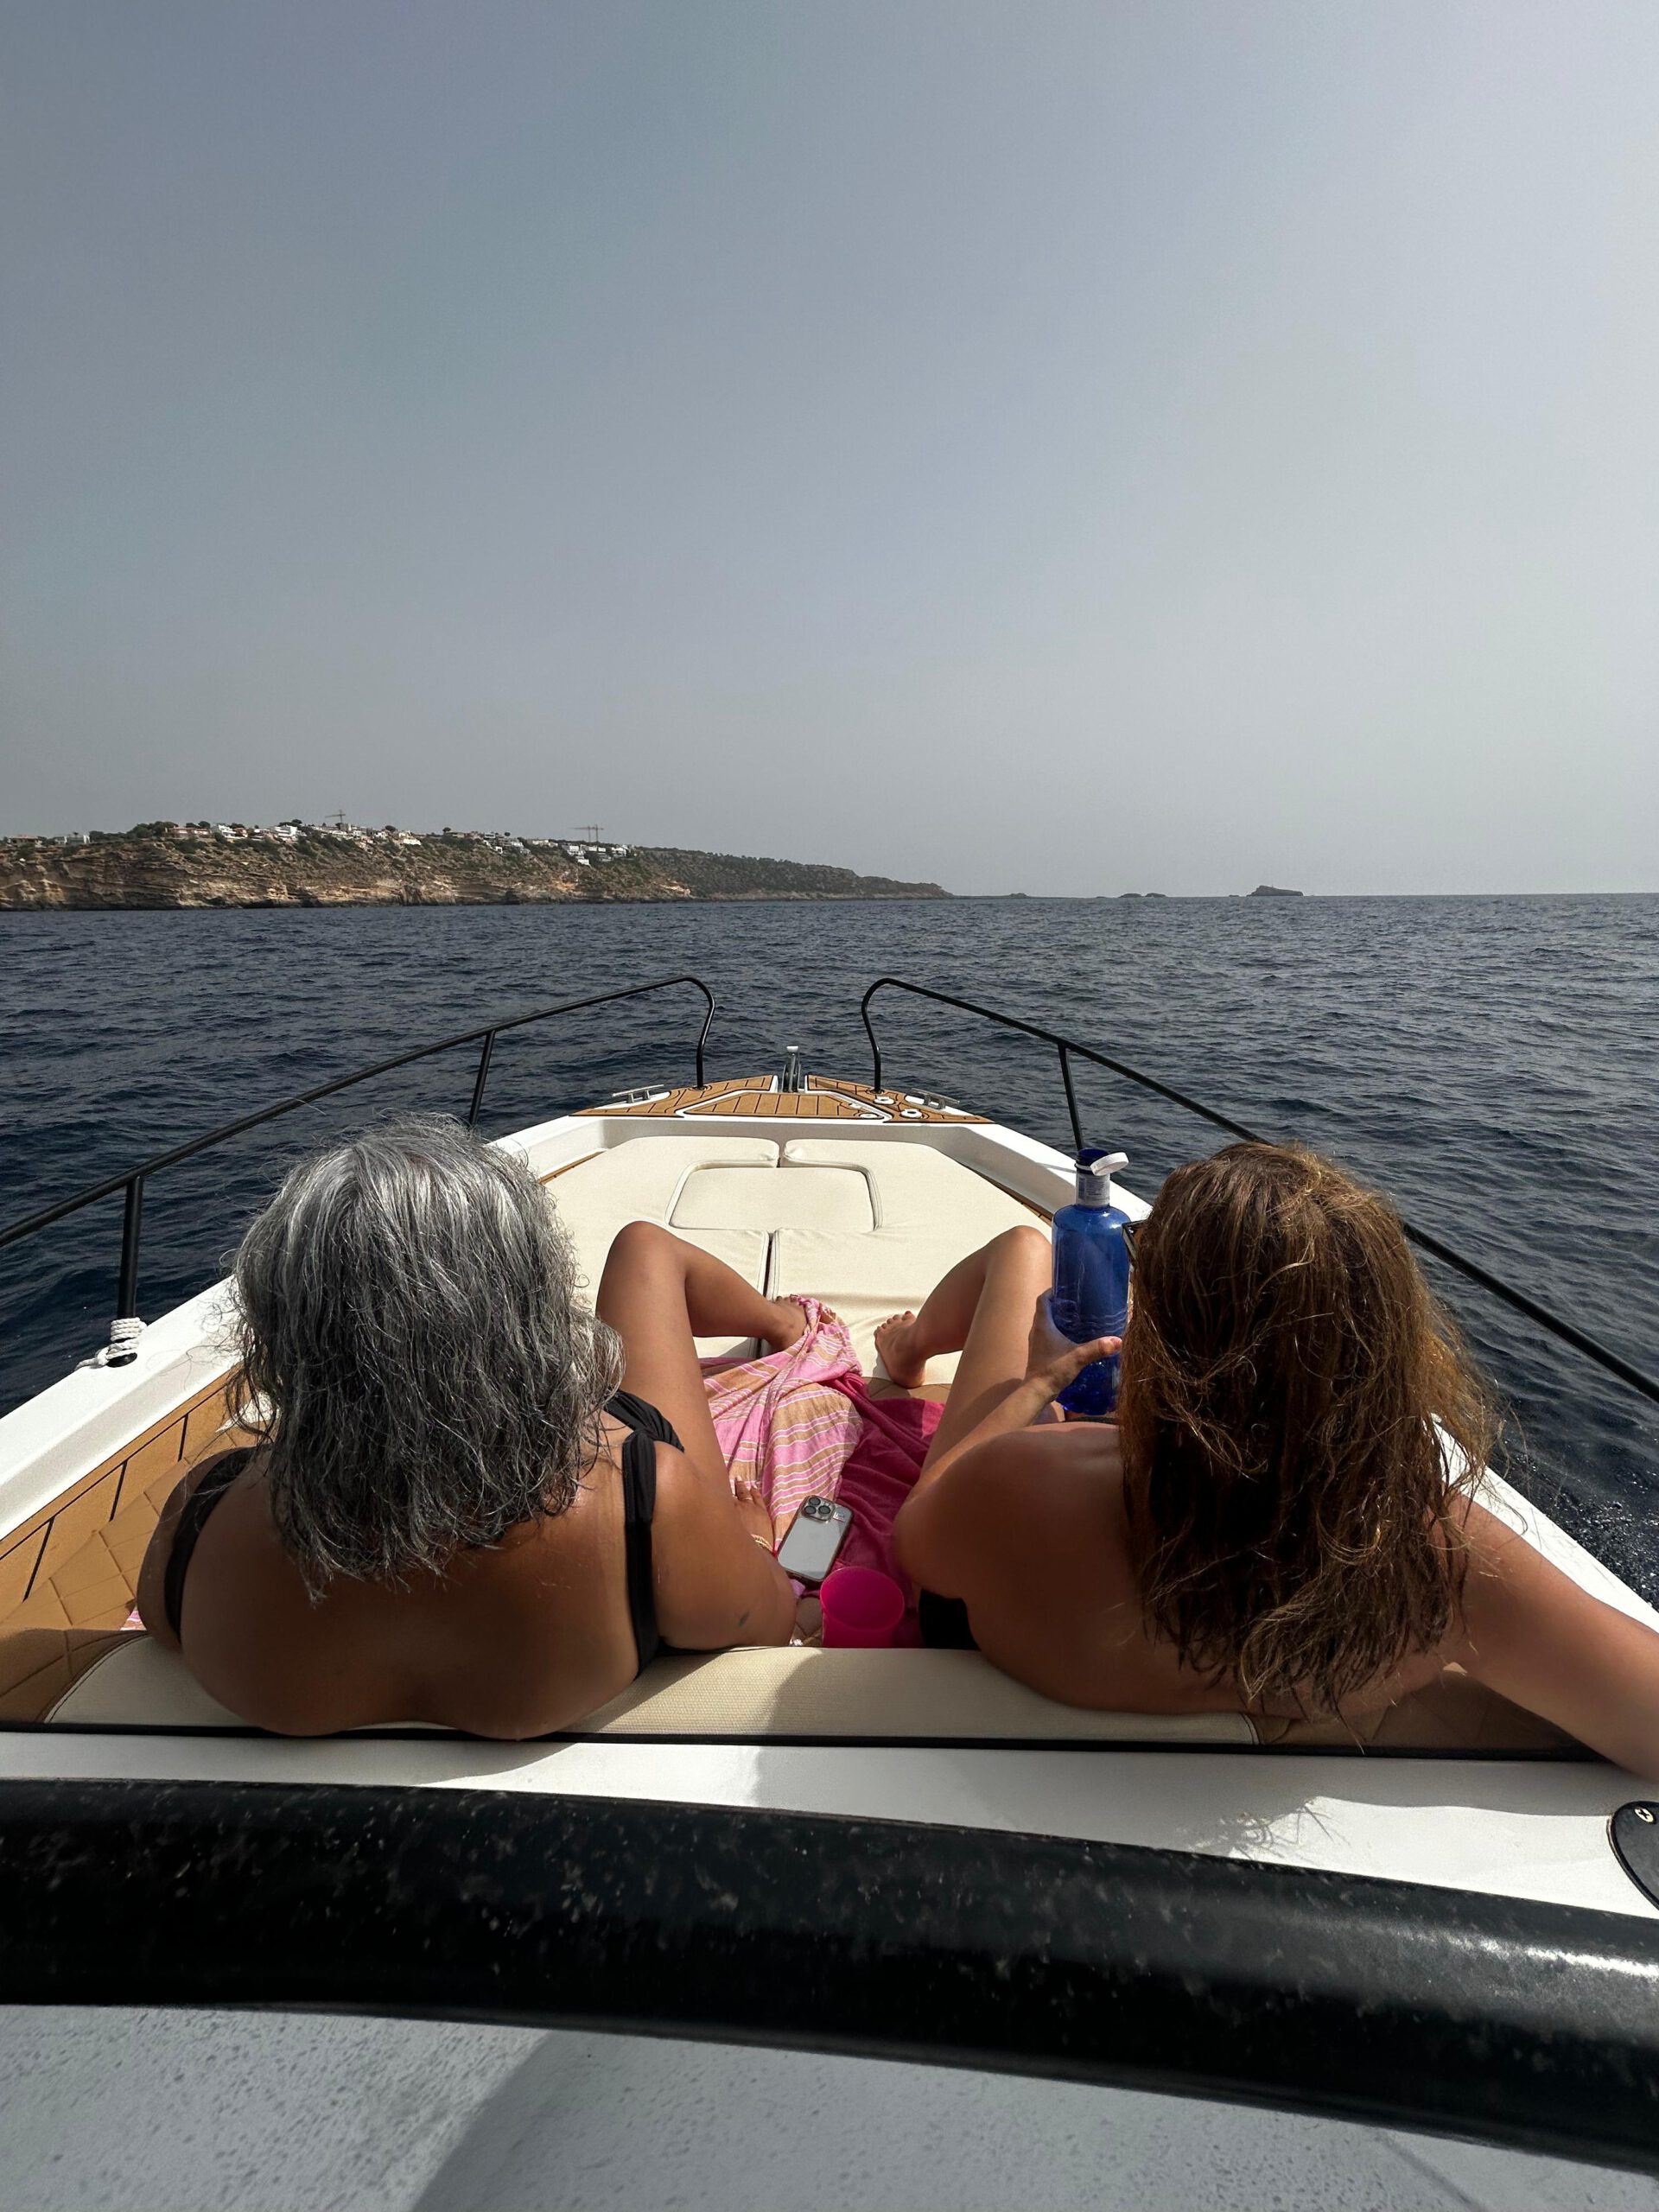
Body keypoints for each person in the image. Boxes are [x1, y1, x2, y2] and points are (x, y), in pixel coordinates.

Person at [885, 1143, 1659, 1770]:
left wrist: (1034, 1393)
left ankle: (908, 1349)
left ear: (1163, 1342)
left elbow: (915, 1538)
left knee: (1023, 1246)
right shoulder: (1433, 1556)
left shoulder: (1026, 1478)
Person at [137, 1118, 802, 1737]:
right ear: (530, 1317)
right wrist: (747, 1537)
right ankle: (786, 1324)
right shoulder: (646, 1508)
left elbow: (161, 1630)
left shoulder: (199, 1526)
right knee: (644, 1248)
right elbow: (772, 1624)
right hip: (609, 1507)